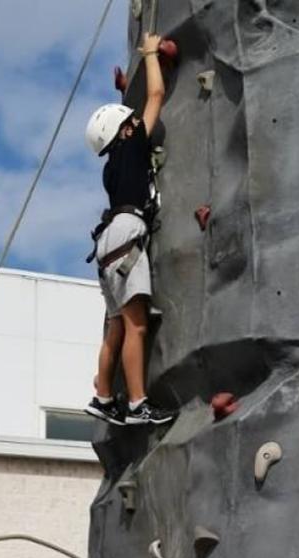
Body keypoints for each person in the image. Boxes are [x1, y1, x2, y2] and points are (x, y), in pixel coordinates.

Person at [82, 32, 175, 428]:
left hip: (105, 242)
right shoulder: (134, 141)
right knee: (136, 324)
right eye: (130, 122)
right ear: (125, 130)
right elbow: (155, 95)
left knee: (116, 324)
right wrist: (152, 54)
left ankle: (104, 396)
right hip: (125, 233)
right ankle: (138, 404)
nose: (135, 123)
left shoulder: (111, 165)